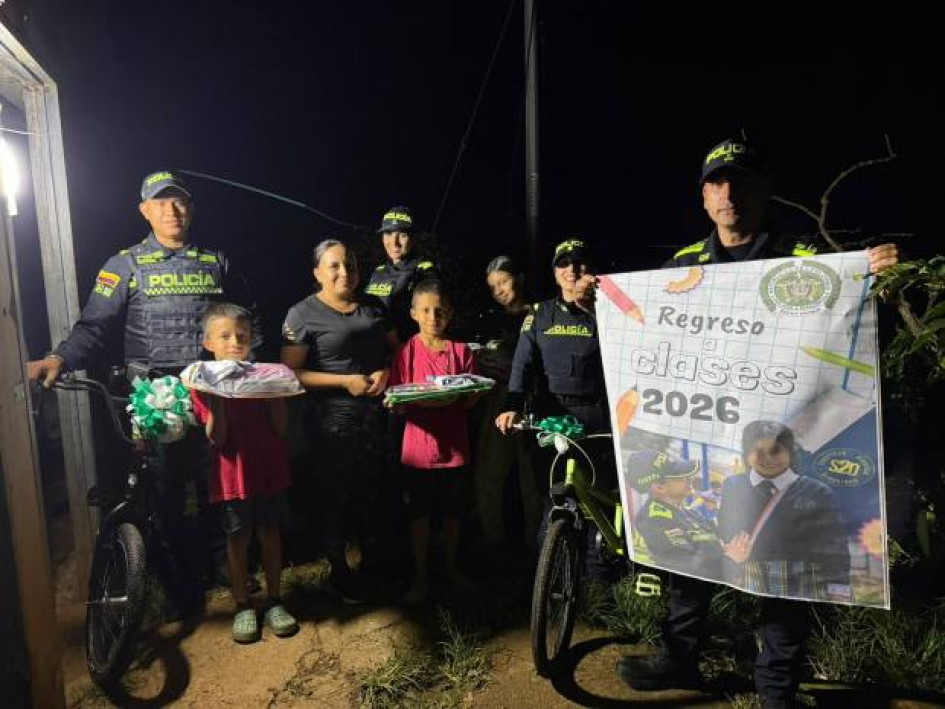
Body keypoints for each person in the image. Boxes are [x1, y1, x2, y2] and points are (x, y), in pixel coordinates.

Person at [617, 137, 899, 709]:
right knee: (690, 552)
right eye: (717, 184)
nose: (729, 194)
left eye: (740, 181)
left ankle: (776, 688)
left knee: (783, 565)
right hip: (707, 444)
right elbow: (643, 332)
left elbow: (854, 340)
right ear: (703, 198)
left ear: (763, 190)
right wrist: (603, 297)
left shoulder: (806, 264)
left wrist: (875, 282)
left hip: (778, 451)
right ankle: (681, 656)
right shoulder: (682, 269)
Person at [27, 170, 261, 621]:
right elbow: (94, 328)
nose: (172, 211)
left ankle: (228, 572)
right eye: (161, 202)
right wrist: (59, 358)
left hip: (212, 396)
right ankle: (179, 587)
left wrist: (253, 372)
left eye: (179, 202)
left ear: (190, 208)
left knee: (221, 488)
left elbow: (251, 320)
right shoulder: (124, 265)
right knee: (165, 496)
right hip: (157, 403)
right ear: (144, 210)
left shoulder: (217, 262)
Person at [281, 239, 397, 604]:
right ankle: (339, 570)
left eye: (350, 265)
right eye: (334, 266)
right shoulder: (302, 314)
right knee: (335, 497)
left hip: (378, 418)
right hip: (331, 422)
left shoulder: (375, 306)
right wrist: (344, 382)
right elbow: (291, 373)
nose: (344, 272)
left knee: (374, 492)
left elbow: (398, 350)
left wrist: (388, 372)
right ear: (317, 272)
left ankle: (374, 564)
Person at [495, 239, 618, 582]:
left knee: (595, 500)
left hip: (596, 416)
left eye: (579, 262)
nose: (572, 270)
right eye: (564, 263)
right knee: (553, 498)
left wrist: (596, 309)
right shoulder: (539, 314)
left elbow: (627, 353)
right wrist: (512, 404)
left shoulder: (608, 311)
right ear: (555, 272)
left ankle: (598, 583)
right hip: (553, 419)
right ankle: (547, 578)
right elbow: (522, 365)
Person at [189, 303, 298, 643]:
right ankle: (242, 605)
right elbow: (217, 437)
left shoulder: (266, 375)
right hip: (231, 473)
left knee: (269, 530)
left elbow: (280, 429)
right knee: (237, 538)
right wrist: (219, 396)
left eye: (242, 335)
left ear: (251, 339)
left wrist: (277, 393)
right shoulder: (201, 381)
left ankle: (275, 600)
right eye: (224, 336)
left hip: (268, 467)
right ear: (208, 342)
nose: (235, 341)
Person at [387, 279, 480, 603]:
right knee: (420, 516)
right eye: (425, 310)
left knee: (453, 513)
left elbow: (468, 400)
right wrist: (397, 403)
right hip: (418, 451)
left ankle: (451, 568)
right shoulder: (406, 352)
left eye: (440, 310)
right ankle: (421, 575)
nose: (433, 316)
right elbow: (397, 399)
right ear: (413, 313)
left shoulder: (461, 352)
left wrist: (469, 395)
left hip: (455, 450)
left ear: (450, 313)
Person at [718, 421, 851, 601]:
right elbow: (725, 528)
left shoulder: (817, 491)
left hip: (801, 582)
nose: (768, 458)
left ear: (790, 453)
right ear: (747, 453)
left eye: (776, 451)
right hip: (747, 580)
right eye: (759, 451)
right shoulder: (734, 485)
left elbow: (834, 544)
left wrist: (838, 589)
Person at [471, 256, 541, 551]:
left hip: (533, 401)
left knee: (532, 479)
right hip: (497, 402)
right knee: (489, 472)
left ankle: (537, 548)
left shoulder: (541, 313)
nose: (499, 290)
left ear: (519, 279)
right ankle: (493, 542)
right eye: (492, 287)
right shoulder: (489, 319)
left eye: (504, 281)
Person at [627, 450, 749, 583]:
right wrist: (730, 560)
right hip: (694, 597)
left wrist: (726, 549)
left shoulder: (686, 510)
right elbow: (687, 568)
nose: (690, 479)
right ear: (660, 487)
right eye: (681, 476)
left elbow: (712, 534)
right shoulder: (655, 519)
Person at [363, 206, 437, 341]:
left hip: (405, 352)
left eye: (402, 235)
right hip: (373, 349)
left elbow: (433, 320)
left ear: (413, 238)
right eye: (388, 233)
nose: (394, 242)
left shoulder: (423, 271)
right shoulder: (378, 271)